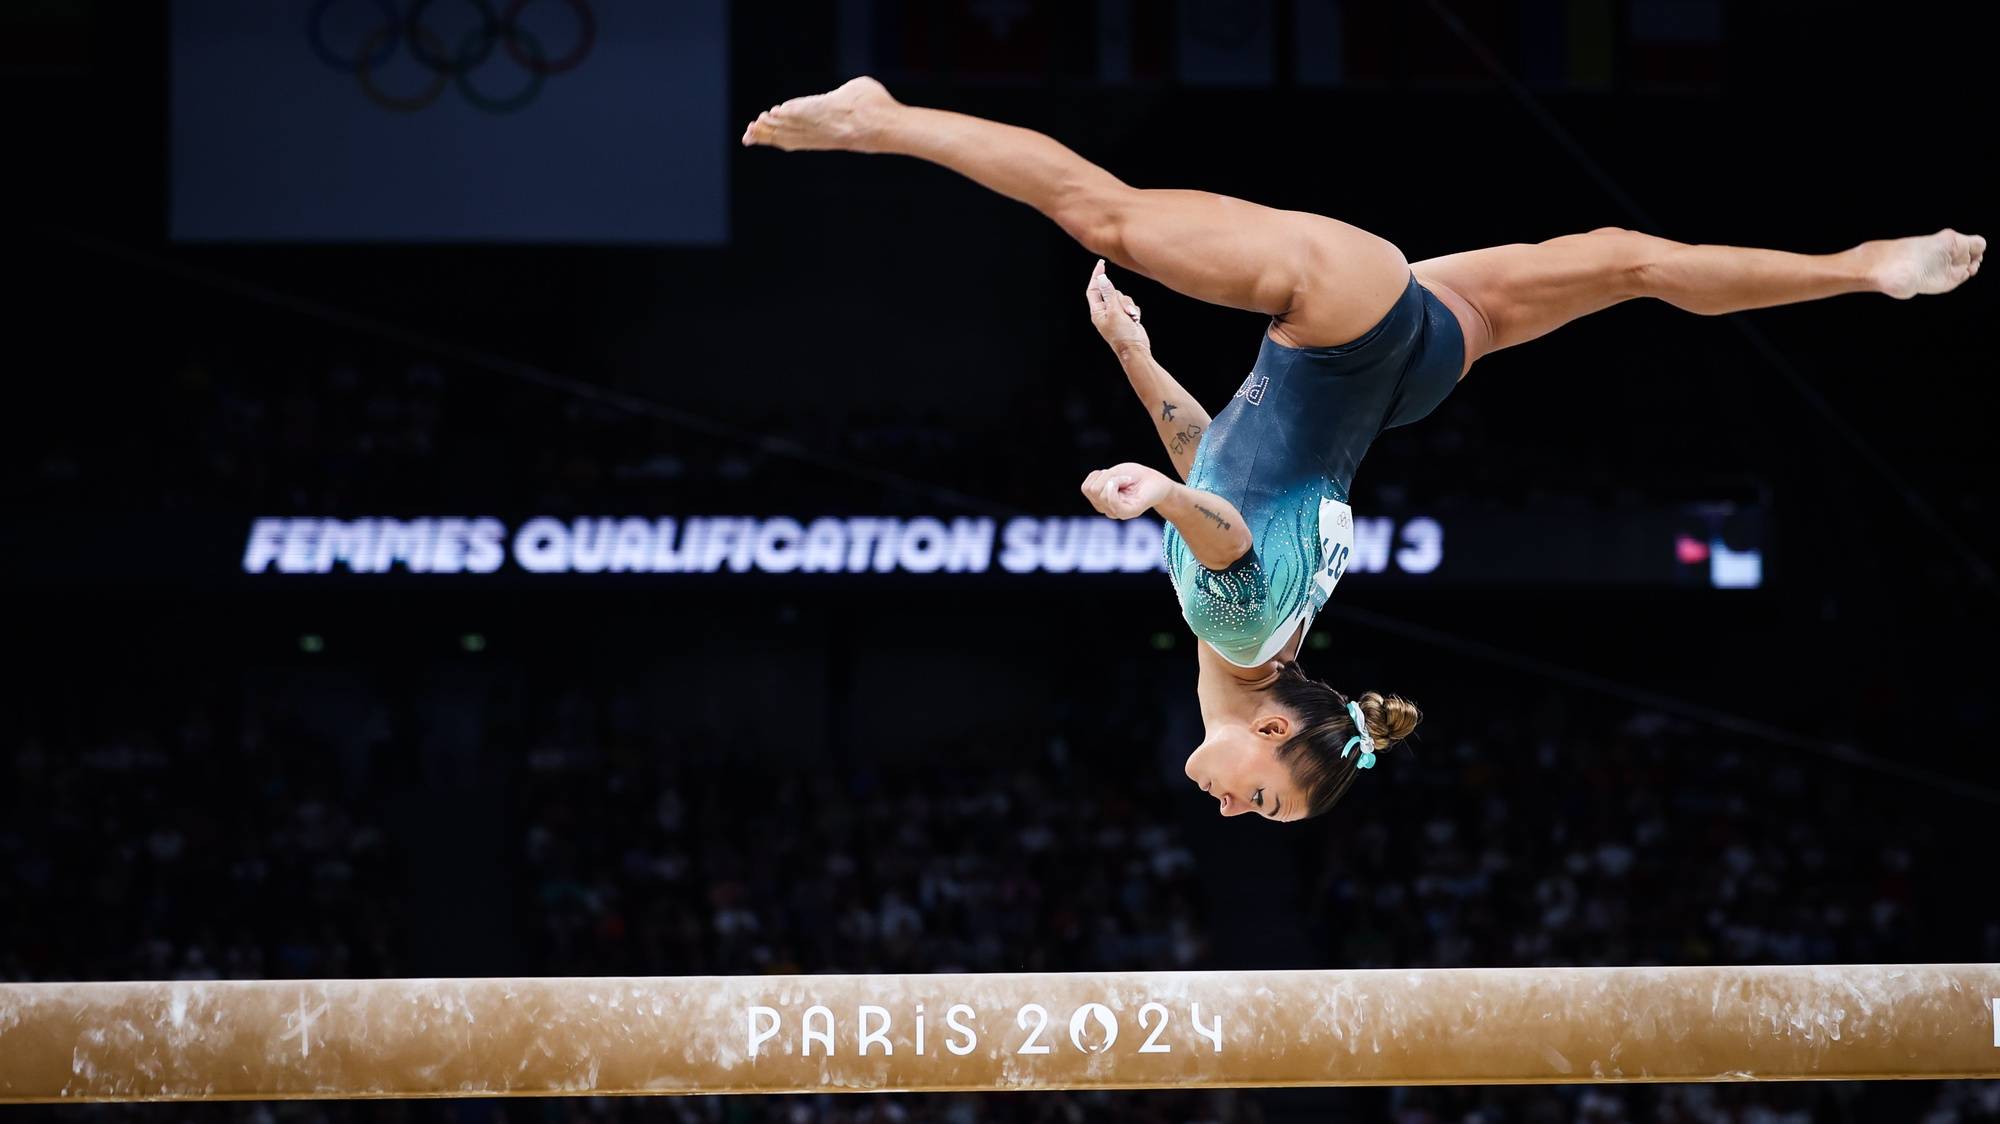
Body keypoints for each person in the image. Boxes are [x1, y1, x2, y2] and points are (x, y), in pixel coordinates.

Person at [743, 78, 1984, 823]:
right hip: (1342, 327)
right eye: (1262, 796)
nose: (1229, 802)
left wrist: (1134, 363)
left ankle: (1861, 270)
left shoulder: (1267, 637)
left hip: (1410, 372)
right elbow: (1215, 514)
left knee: (1628, 258)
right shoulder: (1236, 638)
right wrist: (1158, 492)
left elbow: (1225, 459)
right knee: (1100, 209)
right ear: (1278, 732)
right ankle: (883, 120)